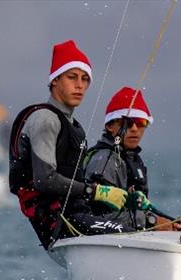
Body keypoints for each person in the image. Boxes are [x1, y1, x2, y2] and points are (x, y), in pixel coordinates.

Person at [8, 39, 131, 248]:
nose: (80, 85)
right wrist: (97, 191)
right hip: (57, 221)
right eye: (72, 77)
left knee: (138, 218)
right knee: (132, 228)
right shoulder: (45, 119)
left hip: (76, 213)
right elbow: (44, 180)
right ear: (55, 80)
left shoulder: (74, 126)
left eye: (85, 79)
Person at [79, 86, 181, 231]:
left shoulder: (134, 161)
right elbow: (98, 219)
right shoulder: (105, 160)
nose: (134, 128)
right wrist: (151, 222)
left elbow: (137, 210)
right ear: (109, 126)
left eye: (141, 123)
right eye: (127, 122)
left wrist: (173, 222)